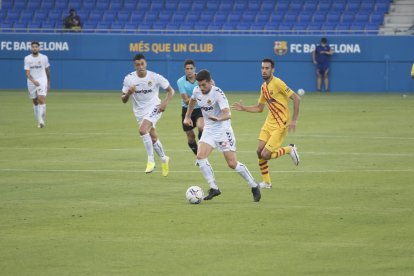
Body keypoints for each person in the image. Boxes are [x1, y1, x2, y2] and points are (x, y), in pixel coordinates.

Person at [184, 69, 261, 202]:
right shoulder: (197, 91)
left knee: (232, 163)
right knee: (200, 157)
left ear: (209, 82)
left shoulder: (218, 93)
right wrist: (187, 116)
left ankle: (253, 185)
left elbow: (228, 113)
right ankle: (214, 188)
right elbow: (192, 101)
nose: (201, 88)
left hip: (223, 130)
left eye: (204, 85)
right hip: (209, 129)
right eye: (199, 85)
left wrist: (218, 118)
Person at [232, 58, 301, 189]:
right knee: (259, 152)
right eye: (262, 68)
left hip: (281, 124)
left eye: (267, 68)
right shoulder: (264, 87)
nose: (264, 70)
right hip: (268, 123)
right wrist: (244, 108)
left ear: (272, 69)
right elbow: (259, 108)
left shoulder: (278, 83)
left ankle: (289, 149)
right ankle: (267, 182)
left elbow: (296, 98)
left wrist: (294, 120)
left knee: (266, 155)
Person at [121, 54, 175, 176]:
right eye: (137, 65)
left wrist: (165, 103)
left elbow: (171, 90)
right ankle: (163, 159)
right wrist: (128, 93)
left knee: (142, 130)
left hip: (155, 107)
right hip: (139, 112)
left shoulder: (154, 77)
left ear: (146, 64)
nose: (140, 67)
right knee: (153, 137)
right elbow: (123, 99)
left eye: (142, 64)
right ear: (134, 65)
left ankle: (150, 161)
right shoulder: (129, 79)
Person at [177, 60, 204, 155]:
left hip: (199, 109)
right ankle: (198, 155)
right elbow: (186, 100)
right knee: (190, 136)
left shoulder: (201, 79)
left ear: (195, 69)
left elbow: (211, 85)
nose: (189, 71)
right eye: (187, 69)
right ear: (184, 70)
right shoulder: (180, 81)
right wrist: (200, 96)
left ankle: (202, 152)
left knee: (201, 127)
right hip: (187, 110)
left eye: (191, 68)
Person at [24, 41, 51, 128]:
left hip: (42, 80)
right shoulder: (27, 58)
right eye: (33, 47)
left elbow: (47, 70)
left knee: (41, 99)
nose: (35, 48)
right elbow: (27, 73)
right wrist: (33, 81)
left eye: (36, 47)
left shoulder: (44, 57)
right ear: (31, 48)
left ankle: (41, 121)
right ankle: (39, 120)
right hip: (31, 81)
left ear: (39, 48)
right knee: (35, 101)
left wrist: (48, 82)